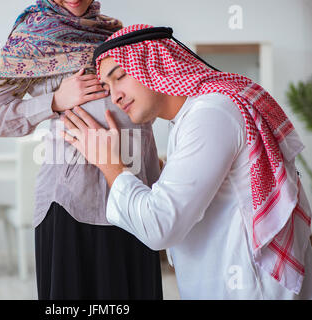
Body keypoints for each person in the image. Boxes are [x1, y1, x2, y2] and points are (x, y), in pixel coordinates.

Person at [61, 24, 312, 299]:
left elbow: (159, 227)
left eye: (119, 76)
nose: (115, 95)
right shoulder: (193, 114)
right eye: (107, 88)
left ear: (154, 63)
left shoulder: (210, 114)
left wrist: (108, 162)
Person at [0, 3, 163, 299]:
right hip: (72, 205)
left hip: (136, 197)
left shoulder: (114, 33)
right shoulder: (31, 39)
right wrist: (54, 100)